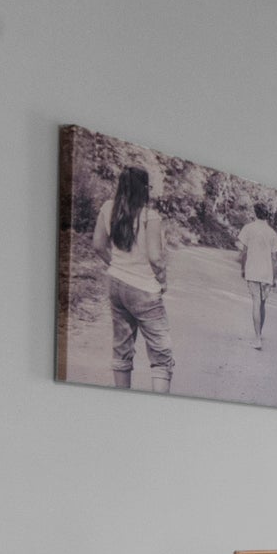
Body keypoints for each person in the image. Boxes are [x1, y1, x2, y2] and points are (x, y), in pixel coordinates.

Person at [91, 164, 174, 391]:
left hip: (116, 284)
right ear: (144, 188)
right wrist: (162, 280)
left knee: (122, 348)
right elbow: (155, 257)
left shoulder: (108, 208)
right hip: (144, 289)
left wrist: (115, 264)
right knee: (161, 354)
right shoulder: (150, 216)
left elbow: (98, 245)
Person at [236, 205, 277, 349]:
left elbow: (244, 252)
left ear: (255, 213)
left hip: (253, 271)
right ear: (267, 215)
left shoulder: (248, 228)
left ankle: (257, 339)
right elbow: (274, 258)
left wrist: (243, 269)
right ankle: (259, 334)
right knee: (262, 304)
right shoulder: (271, 232)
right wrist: (275, 277)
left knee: (256, 303)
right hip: (267, 273)